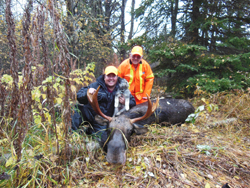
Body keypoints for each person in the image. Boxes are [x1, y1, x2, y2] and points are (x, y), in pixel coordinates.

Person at [71, 65, 136, 142]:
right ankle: (71, 135)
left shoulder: (122, 89)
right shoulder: (96, 85)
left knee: (104, 139)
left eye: (113, 76)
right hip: (91, 114)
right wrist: (87, 92)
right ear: (104, 77)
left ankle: (88, 131)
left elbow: (133, 102)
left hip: (103, 121)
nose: (111, 78)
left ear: (117, 77)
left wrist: (126, 102)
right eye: (108, 76)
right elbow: (79, 96)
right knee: (76, 110)